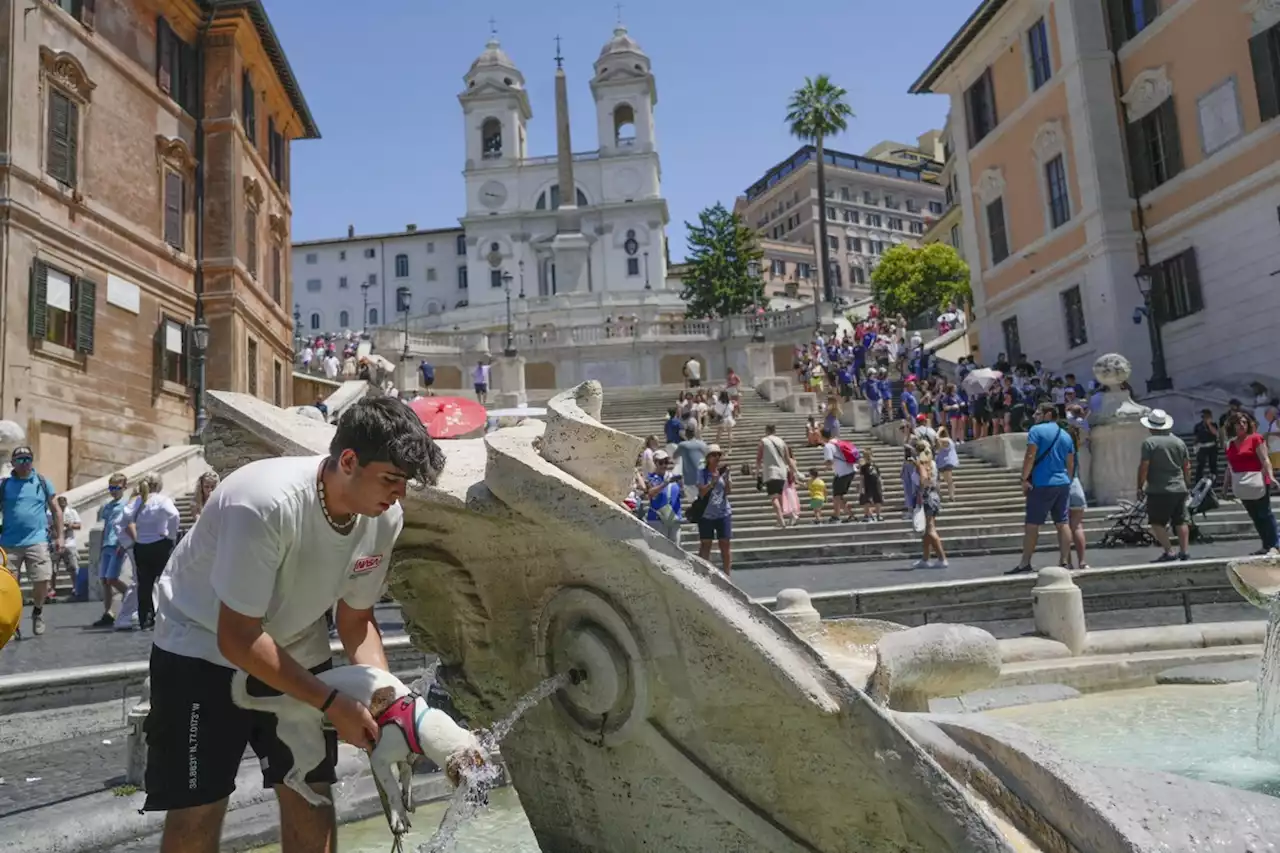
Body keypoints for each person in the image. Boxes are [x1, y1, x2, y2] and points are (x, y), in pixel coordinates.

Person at [143, 398, 448, 851]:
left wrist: (390, 704)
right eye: (391, 478)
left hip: (297, 642)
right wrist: (331, 703)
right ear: (348, 461)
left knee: (312, 796)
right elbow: (238, 637)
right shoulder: (264, 503)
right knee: (198, 806)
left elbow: (357, 620)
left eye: (405, 482)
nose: (399, 493)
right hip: (200, 646)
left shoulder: (384, 517)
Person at [0, 446, 61, 636]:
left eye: (28, 458)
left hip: (37, 540)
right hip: (9, 543)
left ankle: (38, 611)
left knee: (42, 579)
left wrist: (60, 536)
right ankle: (14, 618)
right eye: (20, 459)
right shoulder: (4, 485)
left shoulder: (42, 482)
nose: (24, 463)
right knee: (7, 586)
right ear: (13, 463)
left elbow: (56, 510)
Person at [1007, 404, 1075, 575]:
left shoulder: (1036, 431)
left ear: (1048, 414)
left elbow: (1030, 455)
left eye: (1038, 413)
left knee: (1032, 524)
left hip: (1042, 483)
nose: (1035, 416)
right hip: (1063, 482)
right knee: (1062, 522)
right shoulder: (1066, 435)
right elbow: (1070, 462)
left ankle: (1025, 562)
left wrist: (1023, 478)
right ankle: (1065, 561)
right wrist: (1069, 479)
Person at [122, 472, 181, 630]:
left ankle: (145, 620)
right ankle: (168, 616)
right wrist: (171, 534)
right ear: (159, 484)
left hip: (141, 546)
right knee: (166, 581)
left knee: (145, 586)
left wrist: (135, 535)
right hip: (160, 544)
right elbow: (174, 515)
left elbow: (125, 516)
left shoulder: (139, 501)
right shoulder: (162, 500)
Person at [1136, 409, 1191, 563]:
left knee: (1156, 522)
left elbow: (1144, 466)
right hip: (1179, 486)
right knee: (1180, 521)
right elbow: (1187, 466)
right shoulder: (1179, 442)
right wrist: (1187, 484)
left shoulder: (1149, 443)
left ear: (1151, 426)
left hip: (1158, 488)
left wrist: (1140, 486)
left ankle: (1169, 551)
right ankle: (1184, 551)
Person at [1224, 410, 1278, 554]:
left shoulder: (1256, 438)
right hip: (1242, 484)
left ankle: (1275, 545)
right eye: (1238, 423)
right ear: (1232, 426)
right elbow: (1229, 467)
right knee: (1255, 516)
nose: (1242, 425)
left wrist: (1271, 476)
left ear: (1249, 424)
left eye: (1244, 422)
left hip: (1259, 480)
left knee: (1264, 514)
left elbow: (1265, 459)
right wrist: (1225, 487)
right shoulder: (1230, 443)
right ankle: (1266, 545)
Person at [92, 473, 130, 628]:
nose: (113, 491)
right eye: (111, 488)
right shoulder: (107, 506)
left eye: (117, 488)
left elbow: (129, 524)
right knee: (104, 581)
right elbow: (104, 526)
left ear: (124, 487)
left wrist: (124, 543)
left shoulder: (127, 504)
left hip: (117, 544)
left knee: (112, 578)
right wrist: (101, 547)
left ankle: (132, 596)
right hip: (107, 544)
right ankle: (108, 613)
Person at [696, 445, 733, 574]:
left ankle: (728, 574)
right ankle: (702, 573)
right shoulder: (702, 473)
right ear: (708, 458)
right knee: (706, 545)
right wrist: (712, 482)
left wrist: (727, 478)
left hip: (723, 512)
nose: (717, 457)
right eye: (714, 455)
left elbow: (728, 491)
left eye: (719, 455)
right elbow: (701, 492)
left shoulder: (722, 472)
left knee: (725, 544)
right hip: (706, 513)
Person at [910, 442, 947, 569]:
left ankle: (942, 558)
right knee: (926, 530)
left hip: (925, 497)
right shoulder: (933, 463)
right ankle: (925, 558)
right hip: (934, 496)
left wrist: (920, 489)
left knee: (930, 529)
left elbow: (924, 480)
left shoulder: (921, 465)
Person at [756, 424, 794, 529]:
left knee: (774, 498)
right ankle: (787, 516)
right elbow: (787, 458)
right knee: (780, 496)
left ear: (766, 430)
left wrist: (757, 472)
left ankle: (781, 520)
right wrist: (793, 470)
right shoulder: (781, 441)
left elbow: (759, 458)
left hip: (771, 471)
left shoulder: (764, 441)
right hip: (782, 472)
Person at [1065, 422, 1090, 571]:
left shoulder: (1062, 450)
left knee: (1064, 526)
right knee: (1078, 526)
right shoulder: (1076, 449)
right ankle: (1082, 561)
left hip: (1063, 486)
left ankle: (1067, 562)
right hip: (1076, 486)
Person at [820, 427, 858, 524]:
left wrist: (824, 468)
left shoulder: (828, 446)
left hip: (842, 473)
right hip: (850, 470)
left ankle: (837, 516)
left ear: (822, 436)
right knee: (839, 495)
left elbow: (829, 460)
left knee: (837, 495)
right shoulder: (836, 441)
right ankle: (848, 514)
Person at [1192, 409, 1220, 487]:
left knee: (1213, 464)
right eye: (1204, 417)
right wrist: (1194, 447)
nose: (1205, 418)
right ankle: (1198, 481)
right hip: (1202, 447)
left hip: (1212, 447)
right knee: (1200, 465)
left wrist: (1209, 424)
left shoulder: (1214, 425)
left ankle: (1213, 481)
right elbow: (1196, 437)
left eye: (1207, 417)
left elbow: (1215, 433)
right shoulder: (1198, 426)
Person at [935, 427, 959, 503]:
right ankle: (949, 496)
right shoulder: (947, 441)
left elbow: (936, 437)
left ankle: (951, 496)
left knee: (948, 480)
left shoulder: (947, 440)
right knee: (945, 480)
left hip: (946, 463)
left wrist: (939, 431)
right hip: (942, 463)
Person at [859, 450, 884, 522]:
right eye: (867, 456)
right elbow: (862, 478)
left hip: (876, 484)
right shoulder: (863, 467)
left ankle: (878, 515)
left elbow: (879, 476)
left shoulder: (875, 466)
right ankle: (867, 515)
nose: (869, 458)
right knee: (866, 500)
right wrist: (861, 487)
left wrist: (881, 485)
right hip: (867, 484)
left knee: (878, 499)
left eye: (869, 456)